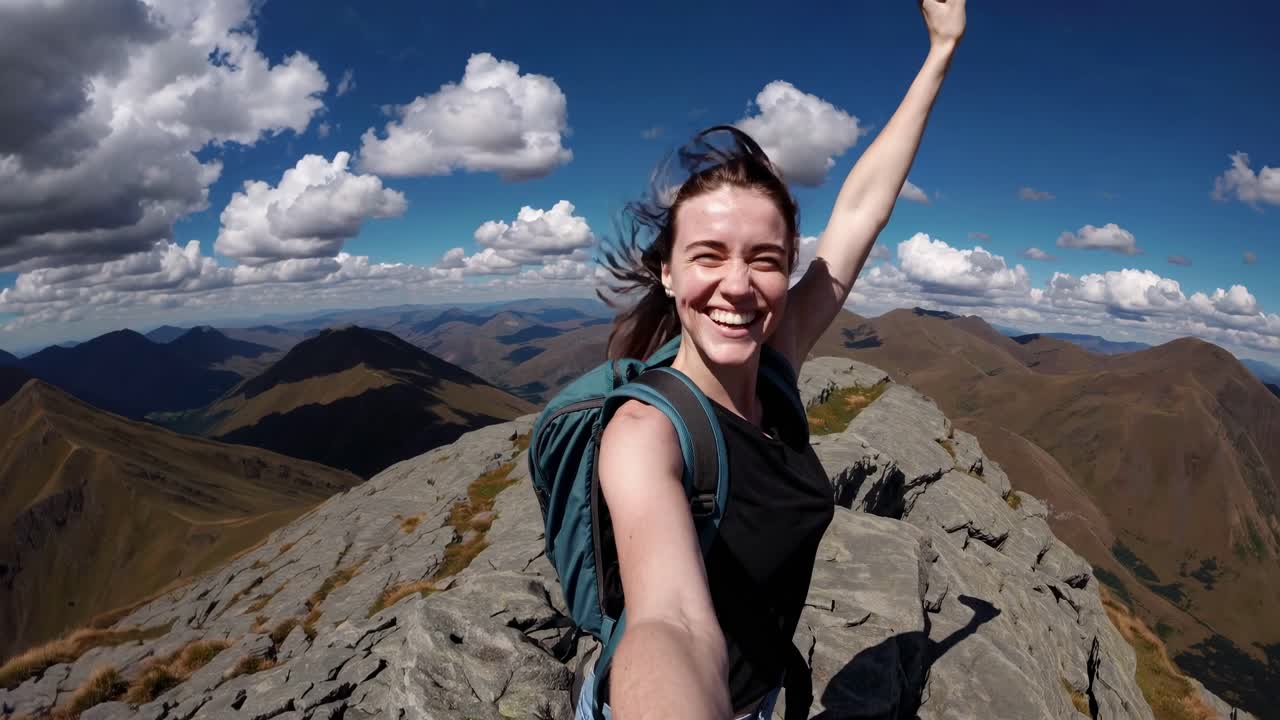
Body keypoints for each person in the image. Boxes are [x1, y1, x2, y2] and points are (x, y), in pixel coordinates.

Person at [582, 2, 965, 717]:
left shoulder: (777, 365)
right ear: (667, 271)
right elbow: (670, 621)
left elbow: (862, 211)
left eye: (764, 259)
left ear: (789, 270)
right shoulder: (645, 433)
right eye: (708, 255)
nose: (737, 284)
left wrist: (941, 51)